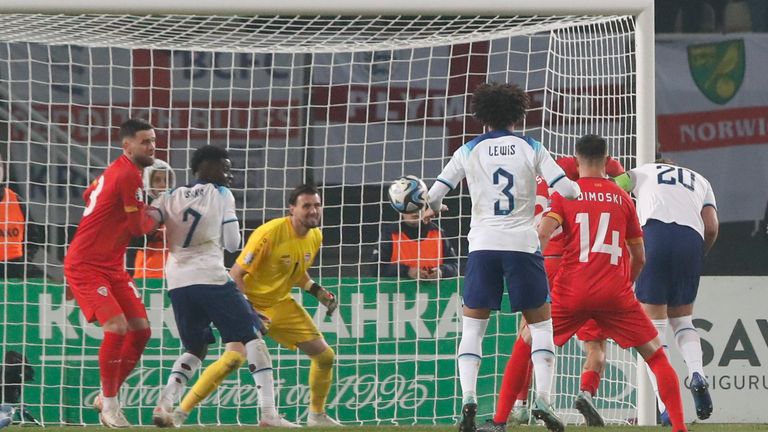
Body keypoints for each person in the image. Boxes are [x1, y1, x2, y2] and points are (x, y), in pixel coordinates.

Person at [424, 82, 581, 432]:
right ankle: (543, 399)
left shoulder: (468, 149)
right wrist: (577, 188)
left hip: (482, 245)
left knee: (473, 329)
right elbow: (566, 189)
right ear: (518, 114)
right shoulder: (532, 147)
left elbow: (434, 196)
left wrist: (434, 208)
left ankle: (468, 398)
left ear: (482, 116)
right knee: (541, 326)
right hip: (523, 245)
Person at [535, 134, 688, 432]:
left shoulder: (564, 189)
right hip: (612, 285)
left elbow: (543, 230)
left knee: (530, 337)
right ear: (606, 160)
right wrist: (625, 285)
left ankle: (519, 408)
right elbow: (639, 256)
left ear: (576, 160)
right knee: (653, 355)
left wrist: (531, 265)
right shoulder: (622, 196)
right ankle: (678, 426)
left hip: (567, 276)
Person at [149, 146, 298, 428]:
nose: (228, 175)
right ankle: (269, 414)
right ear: (203, 166)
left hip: (178, 282)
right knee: (253, 336)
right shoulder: (220, 194)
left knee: (195, 348)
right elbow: (232, 243)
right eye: (224, 167)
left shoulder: (168, 196)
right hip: (210, 276)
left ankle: (165, 404)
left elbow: (146, 227)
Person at [494, 155, 626, 429]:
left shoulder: (521, 177)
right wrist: (616, 184)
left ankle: (520, 405)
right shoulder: (568, 167)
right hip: (572, 263)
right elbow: (618, 175)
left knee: (528, 335)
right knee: (595, 344)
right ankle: (586, 391)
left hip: (536, 260)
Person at [63, 118, 161, 427]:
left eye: (153, 140)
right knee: (117, 328)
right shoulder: (128, 176)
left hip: (113, 266)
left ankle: (107, 395)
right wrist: (157, 215)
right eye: (145, 141)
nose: (152, 146)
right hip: (86, 264)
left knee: (141, 331)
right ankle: (110, 406)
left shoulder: (116, 171)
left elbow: (88, 195)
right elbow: (137, 229)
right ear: (127, 146)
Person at [615, 158, 718, 424]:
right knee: (683, 320)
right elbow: (712, 226)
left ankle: (666, 407)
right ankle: (697, 374)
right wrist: (698, 254)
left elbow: (614, 188)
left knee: (653, 329)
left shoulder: (642, 171)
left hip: (654, 235)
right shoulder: (700, 179)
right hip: (691, 240)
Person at [229, 183, 341, 427]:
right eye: (307, 206)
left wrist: (317, 291)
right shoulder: (270, 233)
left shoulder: (316, 235)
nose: (313, 211)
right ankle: (178, 411)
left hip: (280, 304)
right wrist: (248, 311)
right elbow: (235, 274)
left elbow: (295, 272)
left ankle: (316, 416)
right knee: (231, 360)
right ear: (292, 209)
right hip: (251, 304)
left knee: (325, 356)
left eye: (317, 205)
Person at [374, 211, 458, 279]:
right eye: (410, 208)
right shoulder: (390, 234)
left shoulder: (437, 233)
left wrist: (441, 271)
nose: (414, 212)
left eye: (418, 206)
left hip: (435, 295)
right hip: (397, 295)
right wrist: (407, 271)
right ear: (400, 209)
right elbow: (376, 268)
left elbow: (454, 265)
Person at [0, 154, 44, 280]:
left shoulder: (16, 201)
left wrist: (24, 262)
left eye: (0, 165)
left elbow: (33, 237)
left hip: (14, 273)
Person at [130, 159, 175, 280]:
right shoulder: (141, 209)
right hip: (146, 276)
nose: (163, 184)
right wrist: (157, 211)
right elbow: (137, 242)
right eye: (157, 180)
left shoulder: (177, 209)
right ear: (147, 182)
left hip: (174, 276)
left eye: (166, 180)